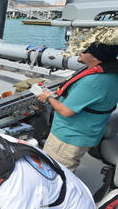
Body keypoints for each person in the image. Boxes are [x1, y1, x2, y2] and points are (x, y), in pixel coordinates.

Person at [36, 43, 118, 172]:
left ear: (96, 58)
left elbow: (66, 111)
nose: (81, 51)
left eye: (86, 51)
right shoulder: (112, 74)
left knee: (54, 173)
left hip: (68, 138)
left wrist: (48, 98)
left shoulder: (93, 81)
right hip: (88, 133)